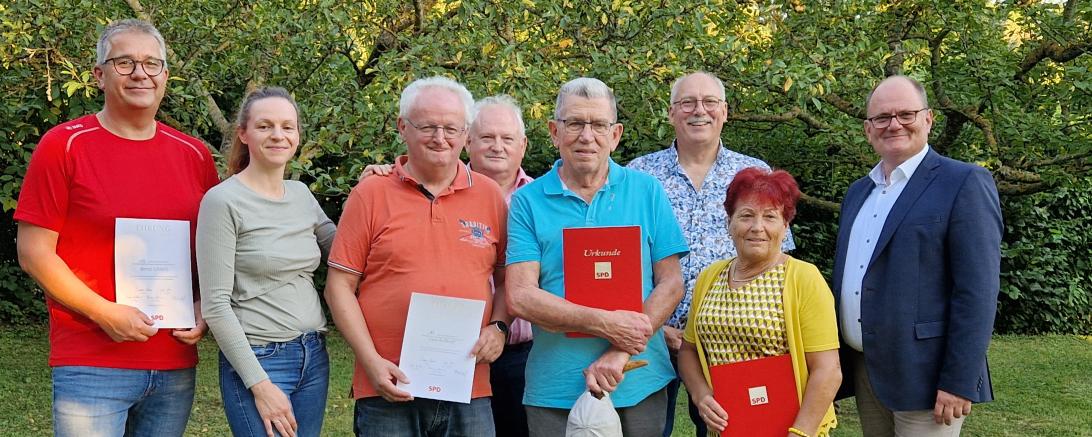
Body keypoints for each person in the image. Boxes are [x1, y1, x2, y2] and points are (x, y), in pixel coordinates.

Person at [14, 19, 218, 436]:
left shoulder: (194, 155)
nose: (140, 73)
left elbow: (210, 251)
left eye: (152, 63)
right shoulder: (64, 145)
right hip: (91, 362)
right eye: (124, 62)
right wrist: (104, 313)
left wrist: (203, 309)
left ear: (165, 75)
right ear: (99, 75)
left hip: (173, 363)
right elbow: (33, 251)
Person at [324, 76, 511, 437]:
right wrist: (371, 362)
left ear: (466, 133)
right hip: (389, 383)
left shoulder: (489, 197)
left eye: (451, 128)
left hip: (468, 384)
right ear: (402, 127)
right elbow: (339, 287)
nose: (440, 138)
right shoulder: (371, 193)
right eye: (428, 127)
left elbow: (507, 280)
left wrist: (499, 327)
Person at [506, 77, 690, 437]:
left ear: (615, 134)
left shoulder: (647, 191)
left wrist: (619, 349)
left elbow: (671, 283)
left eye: (598, 124)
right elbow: (520, 295)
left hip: (639, 379)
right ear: (554, 131)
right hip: (555, 387)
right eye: (574, 123)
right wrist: (604, 323)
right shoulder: (528, 202)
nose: (586, 135)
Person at [626, 71, 795, 437]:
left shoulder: (754, 174)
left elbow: (777, 261)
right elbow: (622, 261)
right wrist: (655, 326)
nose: (698, 111)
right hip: (651, 336)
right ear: (671, 113)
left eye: (709, 102)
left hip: (731, 338)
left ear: (725, 112)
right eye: (687, 102)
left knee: (730, 429)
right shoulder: (638, 176)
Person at [833, 75, 1003, 436]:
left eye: (906, 114)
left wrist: (959, 379)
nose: (894, 124)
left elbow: (978, 291)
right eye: (882, 117)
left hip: (927, 374)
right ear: (868, 129)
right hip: (866, 369)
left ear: (928, 119)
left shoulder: (963, 182)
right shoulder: (858, 193)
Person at [360, 94, 536, 436]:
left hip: (518, 351)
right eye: (486, 137)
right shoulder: (410, 185)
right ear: (468, 140)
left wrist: (499, 327)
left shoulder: (540, 197)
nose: (496, 146)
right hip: (442, 355)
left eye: (507, 138)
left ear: (524, 145)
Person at [197, 87, 335, 437]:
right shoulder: (223, 201)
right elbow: (215, 305)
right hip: (260, 358)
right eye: (265, 126)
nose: (278, 135)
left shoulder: (302, 195)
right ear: (243, 133)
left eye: (288, 127)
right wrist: (260, 384)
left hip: (313, 355)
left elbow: (346, 250)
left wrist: (377, 184)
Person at [676, 167, 841, 437]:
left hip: (790, 429)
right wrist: (701, 395)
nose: (757, 227)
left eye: (770, 217)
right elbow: (688, 351)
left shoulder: (803, 278)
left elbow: (828, 370)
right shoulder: (710, 277)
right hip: (730, 428)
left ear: (785, 226)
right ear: (729, 221)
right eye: (746, 215)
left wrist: (800, 432)